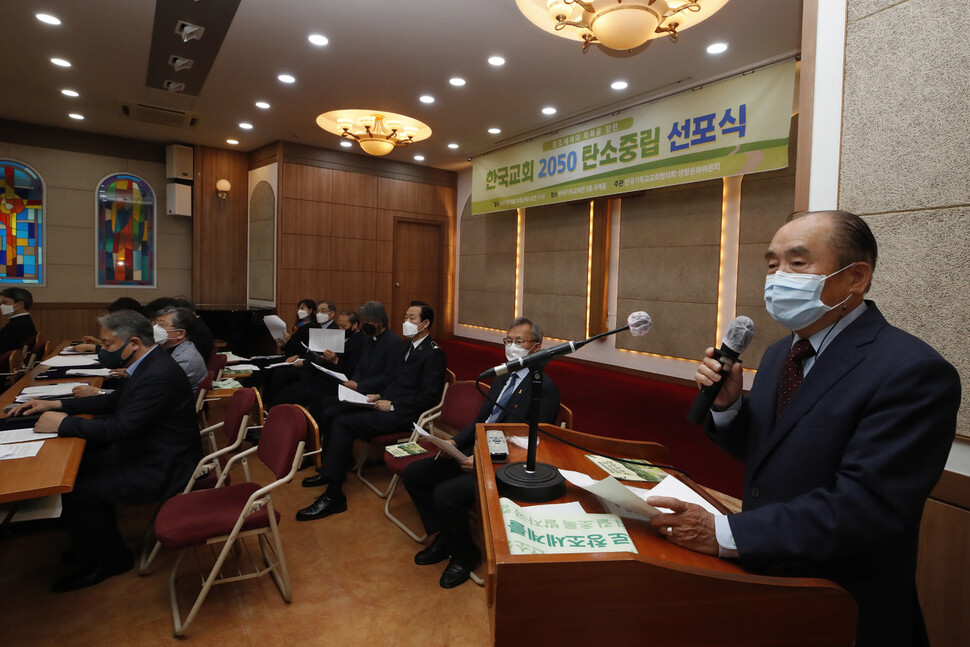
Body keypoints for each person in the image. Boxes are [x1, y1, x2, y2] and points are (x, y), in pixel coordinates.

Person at [657, 210, 959, 647]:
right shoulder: (783, 353)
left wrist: (723, 532)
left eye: (797, 263)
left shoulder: (912, 371)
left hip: (841, 604)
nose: (778, 276)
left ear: (855, 277)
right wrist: (727, 408)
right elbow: (776, 451)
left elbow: (866, 508)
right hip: (766, 583)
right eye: (772, 264)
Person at [11, 310, 201, 593]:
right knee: (81, 468)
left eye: (108, 345)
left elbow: (120, 429)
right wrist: (58, 406)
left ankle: (111, 559)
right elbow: (115, 402)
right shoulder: (149, 363)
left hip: (165, 464)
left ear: (134, 343)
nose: (103, 350)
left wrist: (64, 424)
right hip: (149, 449)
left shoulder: (157, 373)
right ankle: (93, 545)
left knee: (82, 488)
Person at [404, 317, 561, 588]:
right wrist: (455, 443)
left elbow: (530, 442)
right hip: (472, 449)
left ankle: (466, 555)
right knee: (415, 473)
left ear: (536, 348)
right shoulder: (502, 378)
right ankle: (445, 535)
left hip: (503, 464)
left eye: (519, 342)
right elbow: (482, 419)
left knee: (446, 495)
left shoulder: (543, 388)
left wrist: (484, 459)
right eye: (508, 341)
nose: (511, 347)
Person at [296, 301, 447, 521]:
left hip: (404, 415)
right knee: (337, 414)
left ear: (425, 323)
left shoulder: (433, 353)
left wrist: (392, 404)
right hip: (387, 403)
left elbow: (428, 397)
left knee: (342, 422)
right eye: (405, 316)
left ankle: (334, 495)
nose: (406, 321)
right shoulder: (407, 347)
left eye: (412, 318)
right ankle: (331, 475)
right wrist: (379, 395)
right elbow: (396, 382)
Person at [154, 306, 207, 392]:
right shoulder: (167, 347)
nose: (155, 328)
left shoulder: (185, 359)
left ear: (180, 333)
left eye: (162, 324)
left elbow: (156, 387)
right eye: (155, 323)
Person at [0, 287, 37, 354]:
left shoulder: (13, 326)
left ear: (20, 304)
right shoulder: (26, 321)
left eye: (5, 303)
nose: (2, 306)